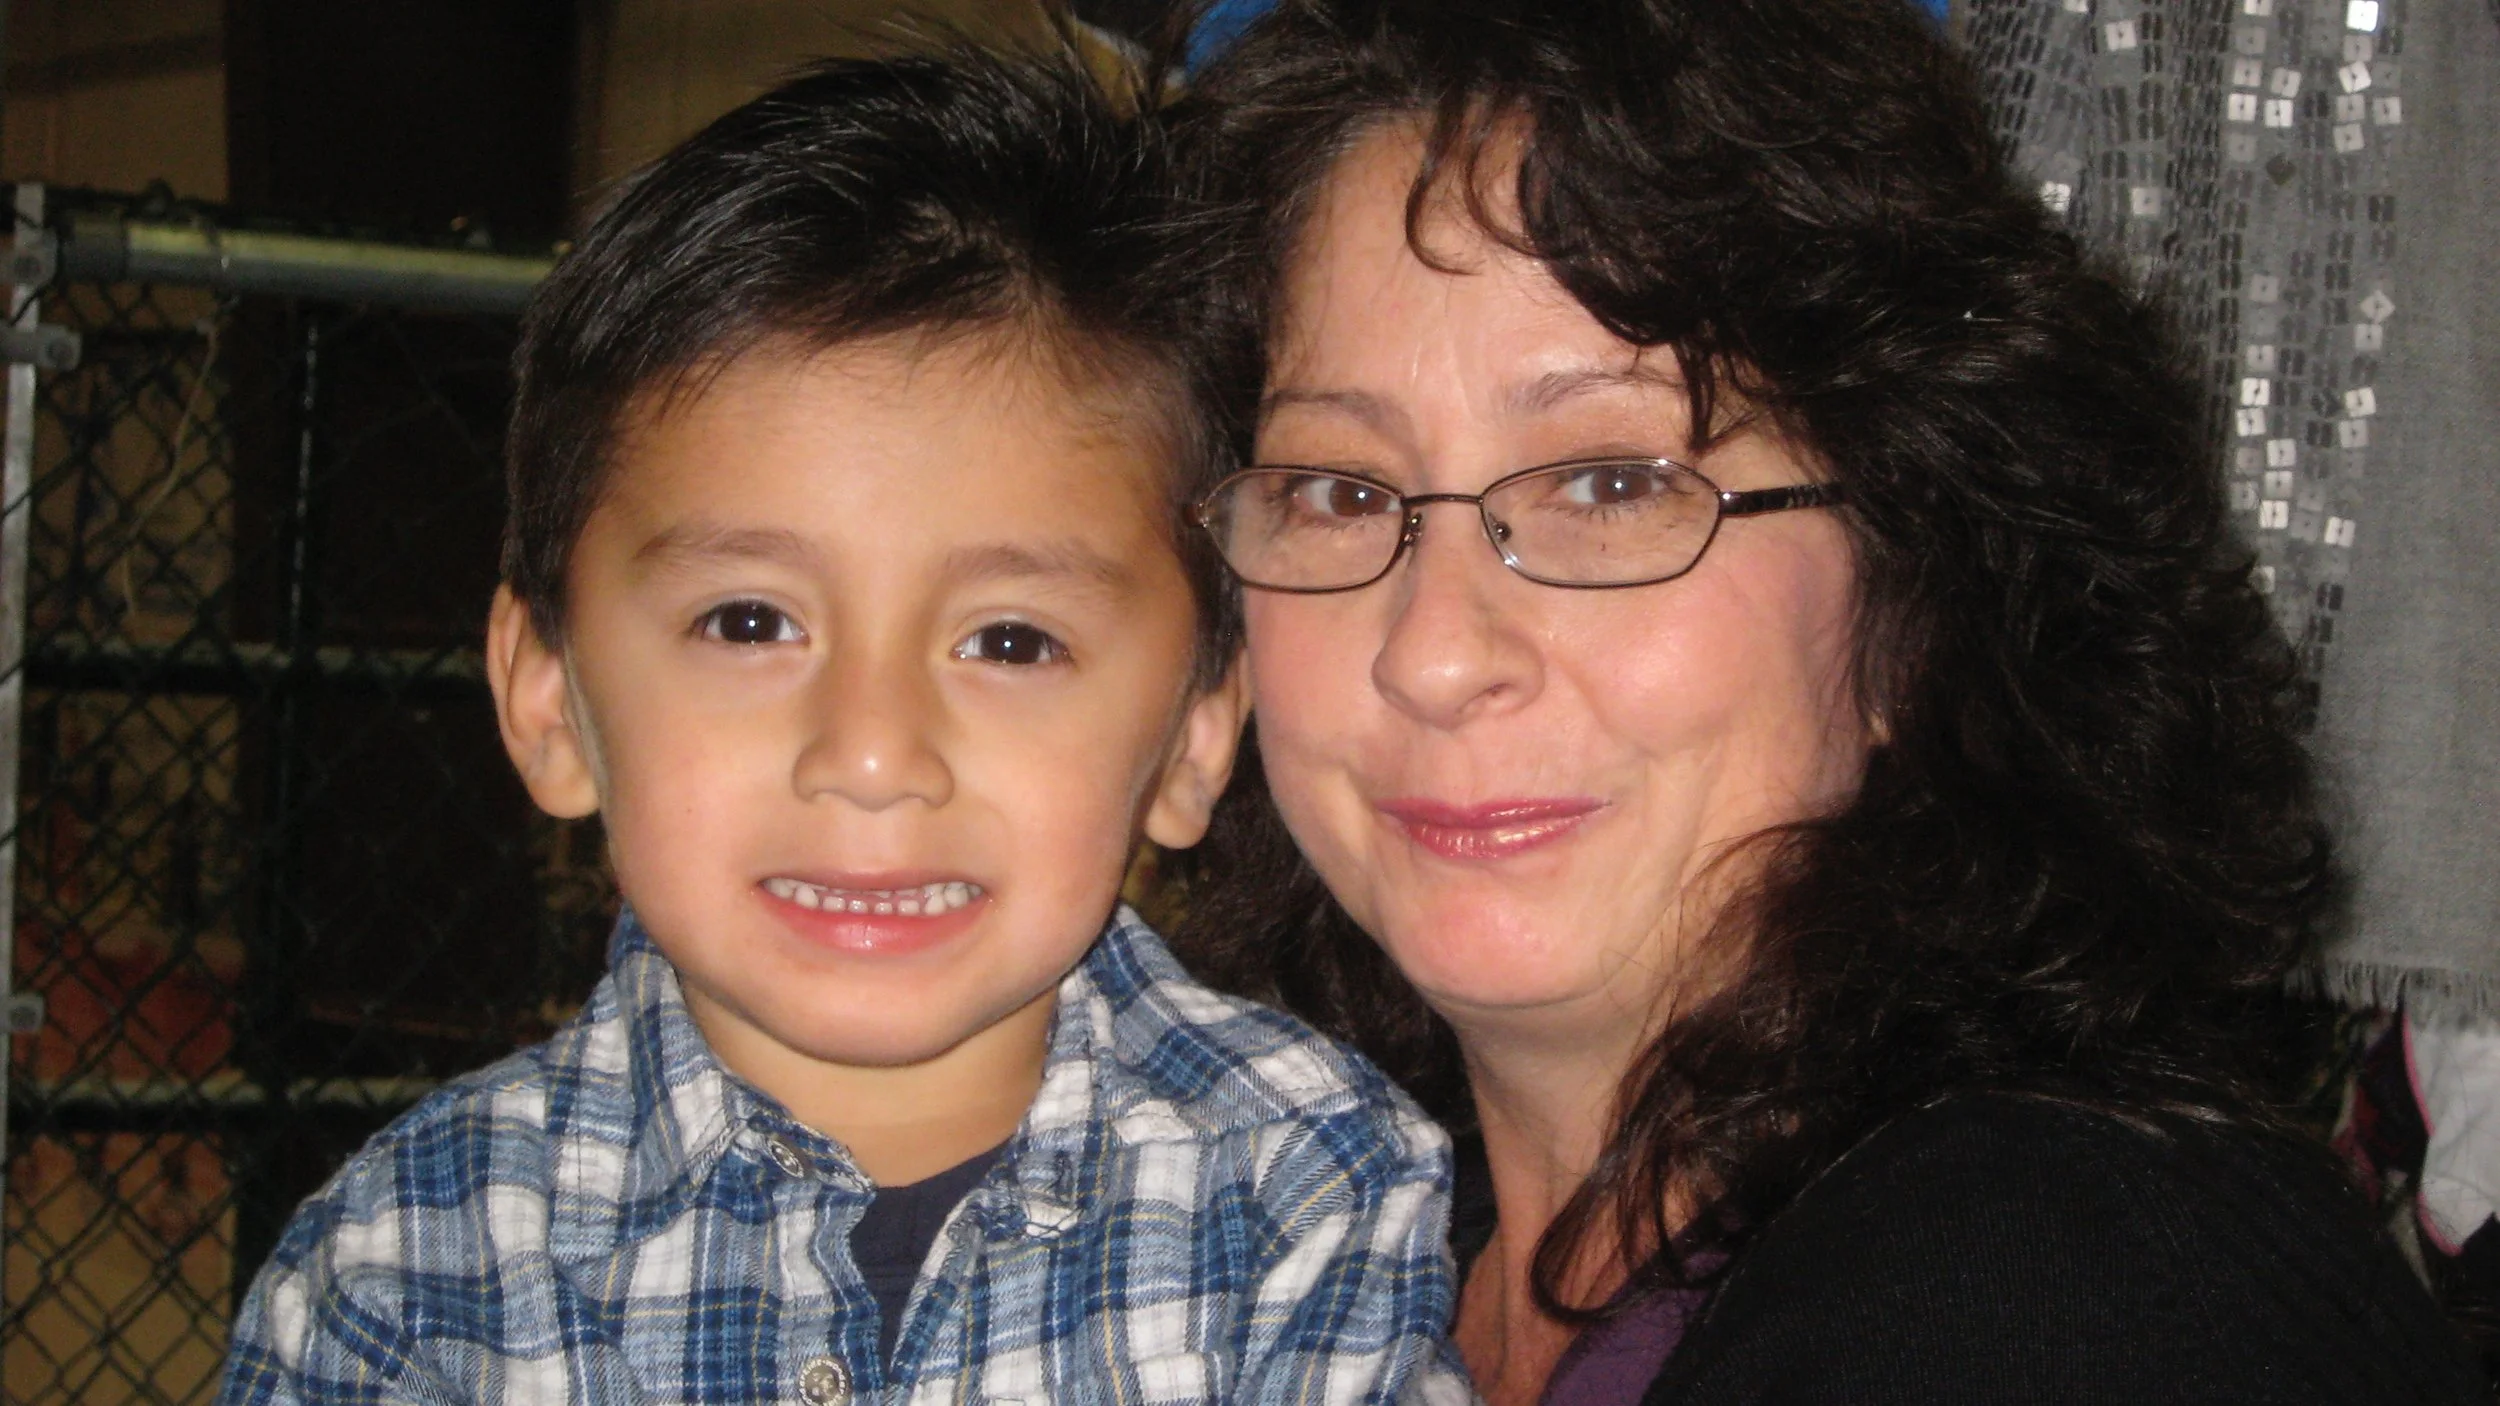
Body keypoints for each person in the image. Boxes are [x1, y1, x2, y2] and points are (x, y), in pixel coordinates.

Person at [1167, 0, 2488, 1401]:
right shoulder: (1297, 1239)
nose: (1430, 653)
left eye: (1612, 484)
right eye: (1335, 492)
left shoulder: (2055, 1298)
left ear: (1916, 591)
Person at [218, 44, 1467, 1406]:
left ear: (1190, 738)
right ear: (548, 697)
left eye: (1010, 639)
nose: (872, 752)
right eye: (749, 622)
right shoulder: (403, 1279)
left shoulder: (1310, 1198)